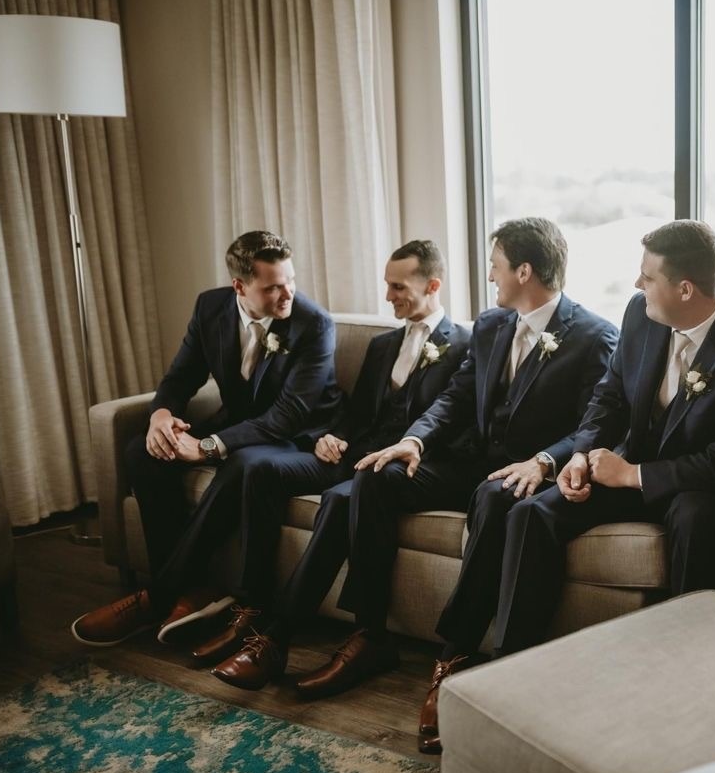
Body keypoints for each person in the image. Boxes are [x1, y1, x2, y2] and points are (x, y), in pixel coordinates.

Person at [211, 217, 618, 706]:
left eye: (495, 266)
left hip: (527, 472)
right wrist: (415, 441)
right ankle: (369, 635)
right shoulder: (491, 326)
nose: (490, 276)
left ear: (524, 271)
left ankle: (455, 656)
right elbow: (456, 397)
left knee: (493, 498)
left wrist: (545, 461)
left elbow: (598, 424)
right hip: (466, 462)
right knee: (375, 477)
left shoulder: (596, 336)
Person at [416, 219, 715, 754]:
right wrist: (582, 456)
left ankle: (683, 692)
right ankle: (512, 673)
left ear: (685, 289)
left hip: (697, 485)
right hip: (621, 467)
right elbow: (608, 399)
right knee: (531, 512)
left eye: (647, 277)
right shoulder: (643, 314)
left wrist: (633, 475)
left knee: (696, 518)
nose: (637, 287)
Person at [189, 240, 469, 687]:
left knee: (340, 502)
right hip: (354, 460)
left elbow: (456, 422)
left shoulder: (467, 347)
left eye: (398, 287)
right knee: (260, 468)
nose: (388, 296)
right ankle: (252, 607)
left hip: (408, 472)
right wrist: (329, 437)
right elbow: (356, 414)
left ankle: (277, 640)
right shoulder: (381, 346)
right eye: (386, 285)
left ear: (432, 285)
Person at [72, 230, 343, 647]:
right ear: (240, 286)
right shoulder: (211, 306)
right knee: (143, 454)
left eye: (290, 280)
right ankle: (191, 589)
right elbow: (181, 377)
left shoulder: (314, 324)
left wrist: (206, 446)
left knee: (242, 464)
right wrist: (161, 417)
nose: (286, 293)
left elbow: (286, 416)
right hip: (239, 426)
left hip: (294, 437)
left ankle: (155, 597)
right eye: (271, 286)